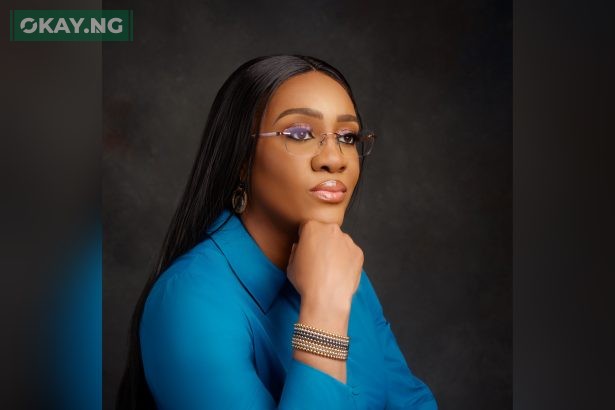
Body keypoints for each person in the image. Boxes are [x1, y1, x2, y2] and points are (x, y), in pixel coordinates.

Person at [116, 54, 437, 409]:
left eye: (347, 136)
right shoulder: (187, 301)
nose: (335, 159)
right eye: (300, 134)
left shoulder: (341, 267)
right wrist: (323, 311)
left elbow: (412, 402)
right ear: (241, 160)